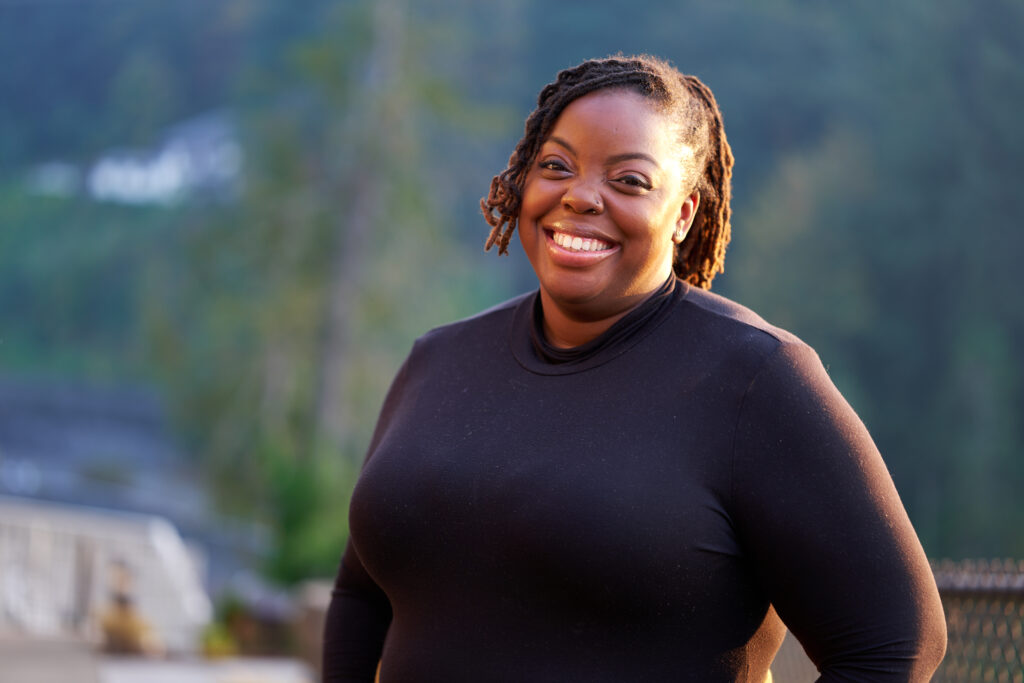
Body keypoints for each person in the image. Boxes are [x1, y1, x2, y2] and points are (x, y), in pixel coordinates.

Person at [323, 55, 947, 682]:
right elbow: (360, 597)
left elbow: (896, 643)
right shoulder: (439, 360)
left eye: (629, 181)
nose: (579, 195)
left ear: (683, 214)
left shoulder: (755, 378)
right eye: (556, 166)